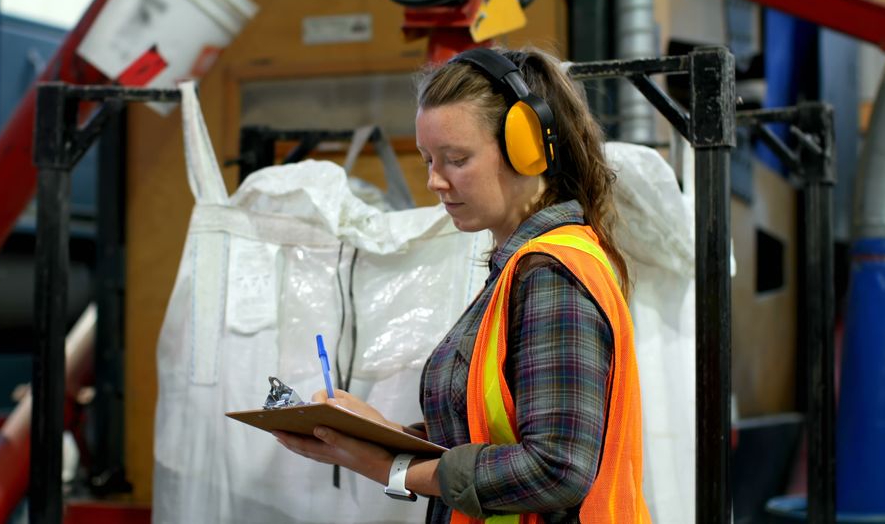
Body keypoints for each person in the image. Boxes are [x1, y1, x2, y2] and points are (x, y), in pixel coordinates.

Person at [273, 46, 651, 524]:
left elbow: (557, 468)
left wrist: (391, 467)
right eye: (429, 158)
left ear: (528, 149)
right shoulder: (521, 268)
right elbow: (488, 430)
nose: (434, 181)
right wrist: (378, 431)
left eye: (456, 159)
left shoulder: (550, 273)